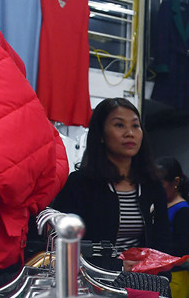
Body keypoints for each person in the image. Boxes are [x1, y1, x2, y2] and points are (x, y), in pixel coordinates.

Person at [50, 98, 172, 267]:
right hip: (92, 278)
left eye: (135, 126)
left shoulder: (152, 186)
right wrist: (116, 266)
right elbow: (64, 246)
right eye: (119, 125)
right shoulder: (80, 184)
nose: (130, 133)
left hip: (142, 278)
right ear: (101, 135)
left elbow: (162, 241)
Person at [157, 156, 189, 257]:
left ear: (176, 182)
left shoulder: (183, 211)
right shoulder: (157, 204)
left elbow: (182, 250)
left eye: (161, 184)